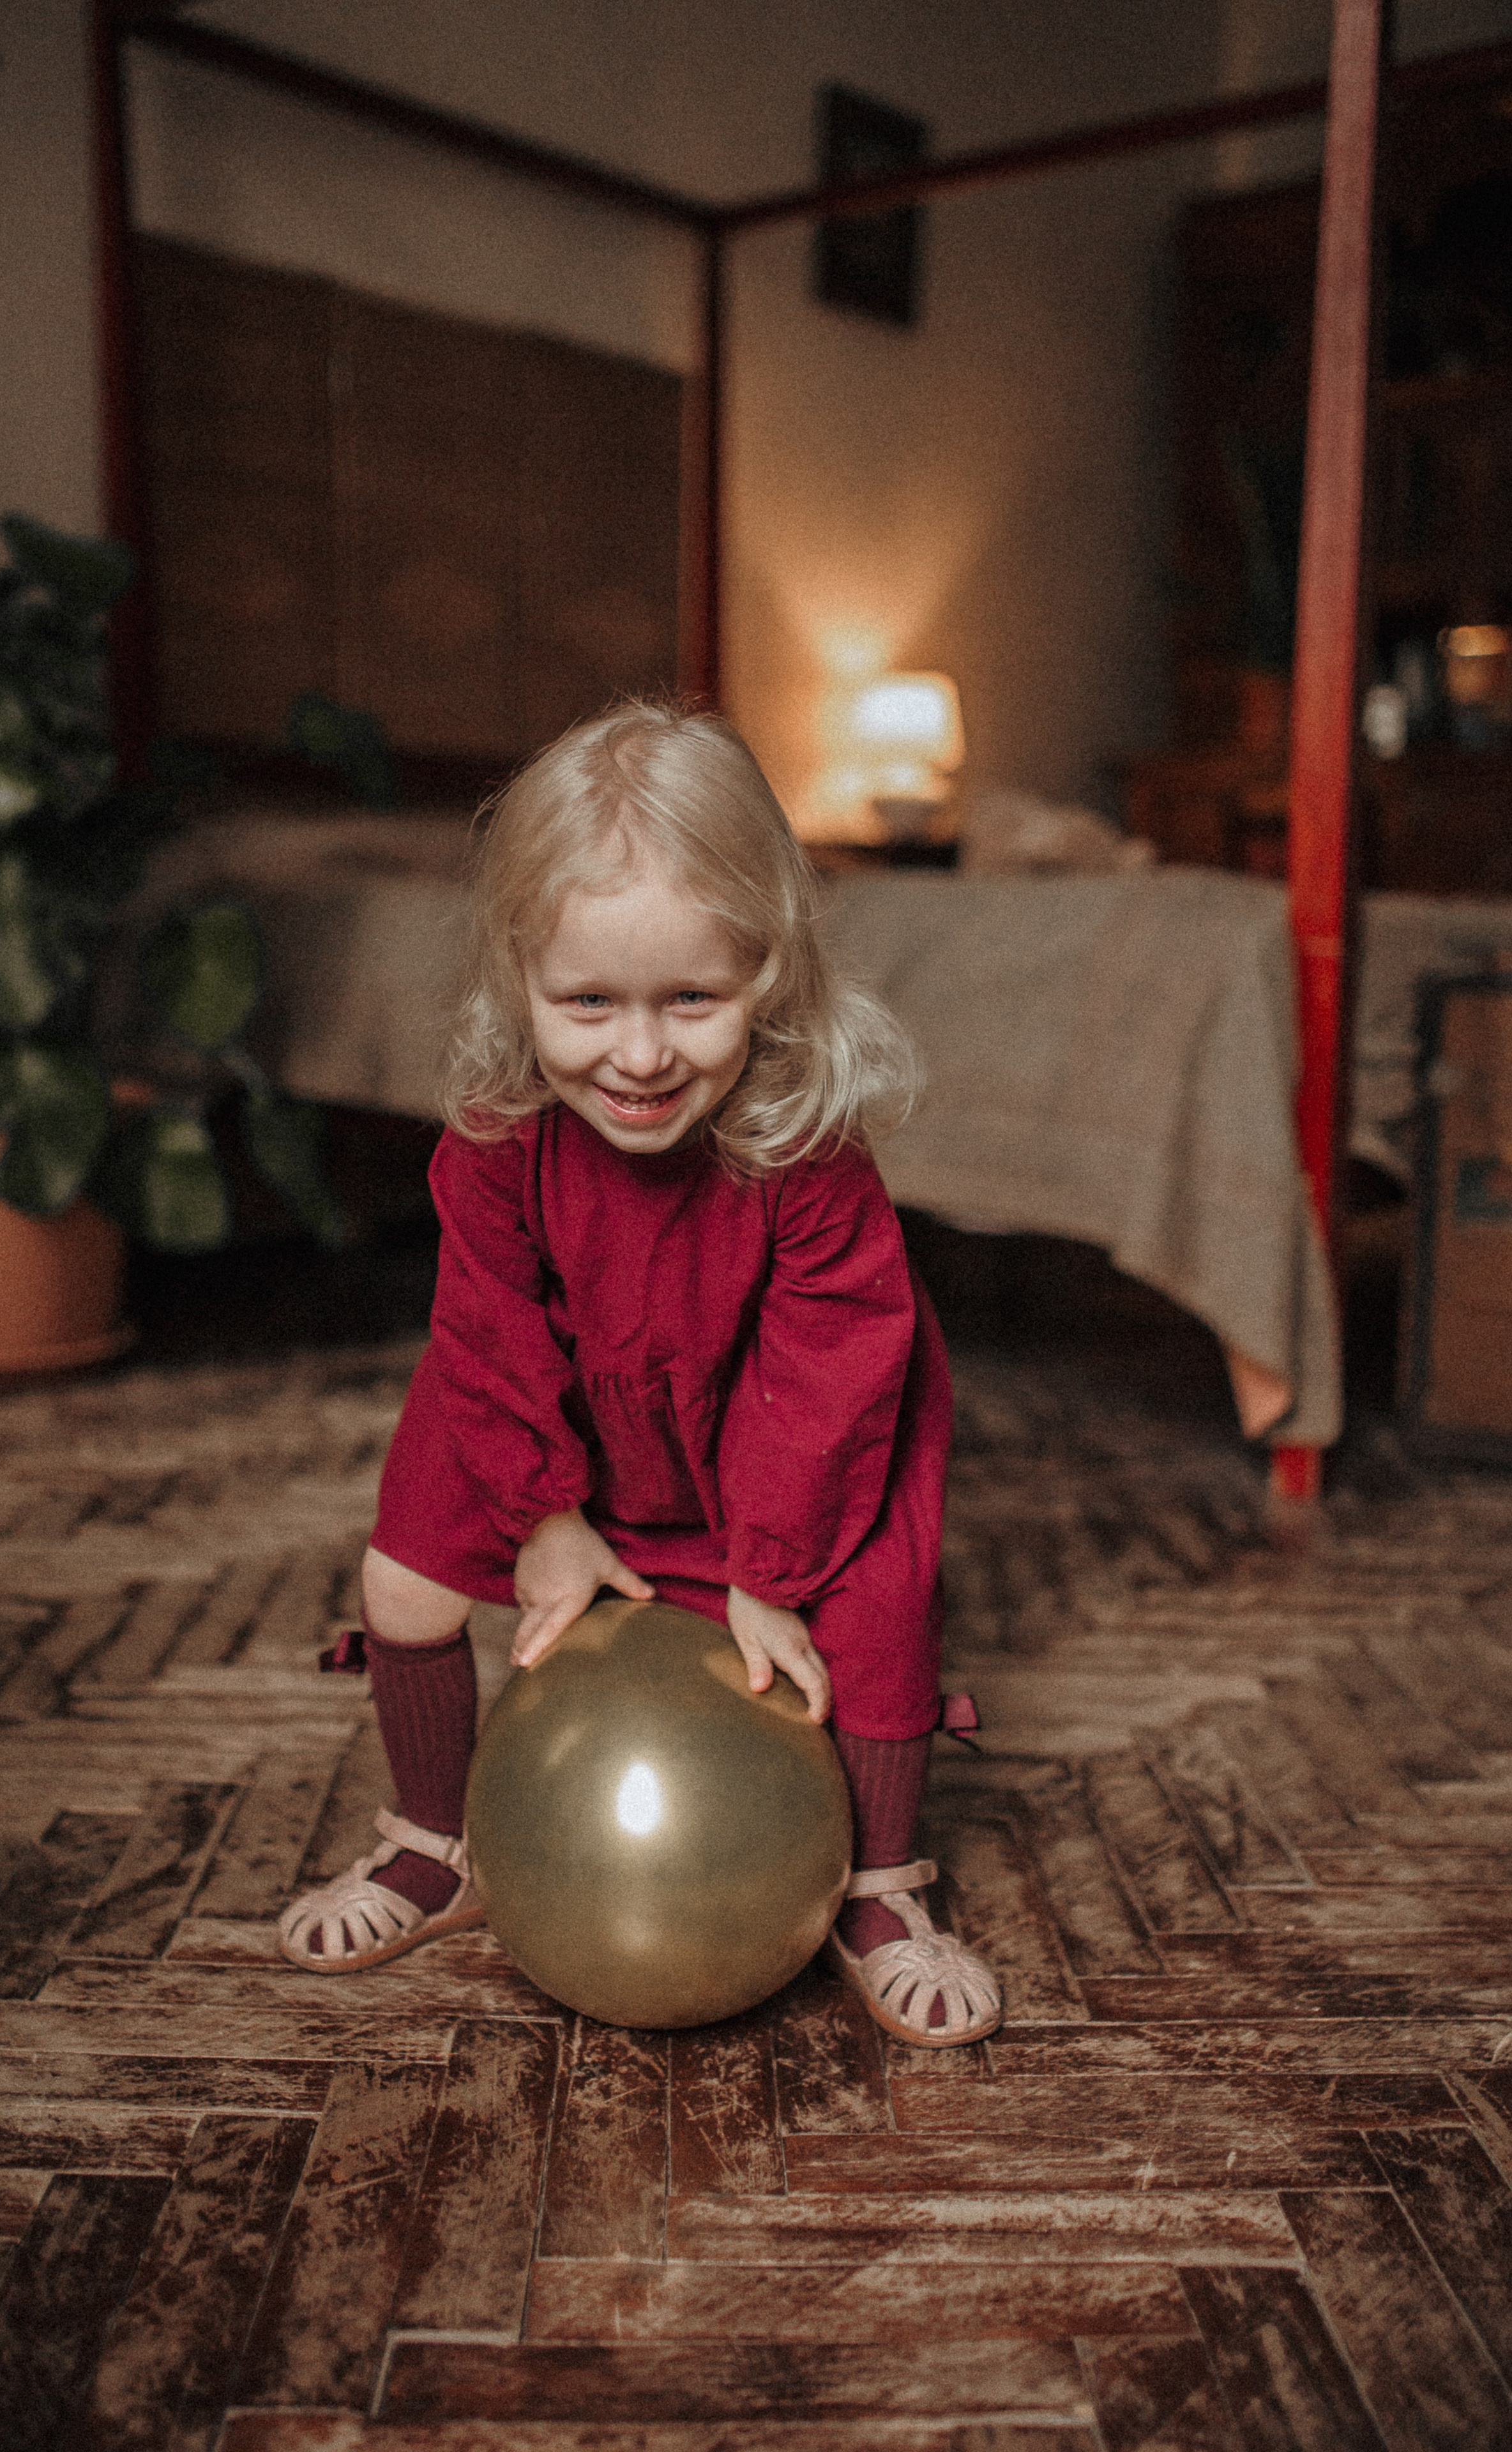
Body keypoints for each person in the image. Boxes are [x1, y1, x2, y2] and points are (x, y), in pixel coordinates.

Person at [278, 702, 1001, 2048]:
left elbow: (833, 1367)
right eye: (588, 1003)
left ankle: (879, 1887)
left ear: (768, 973)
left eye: (692, 1000)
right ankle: (435, 1839)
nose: (641, 1054)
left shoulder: (805, 1152)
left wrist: (769, 1572)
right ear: (519, 979)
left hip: (778, 1439)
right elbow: (487, 1329)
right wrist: (544, 1520)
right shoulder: (497, 1137)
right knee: (402, 1577)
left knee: (880, 1614)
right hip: (546, 1418)